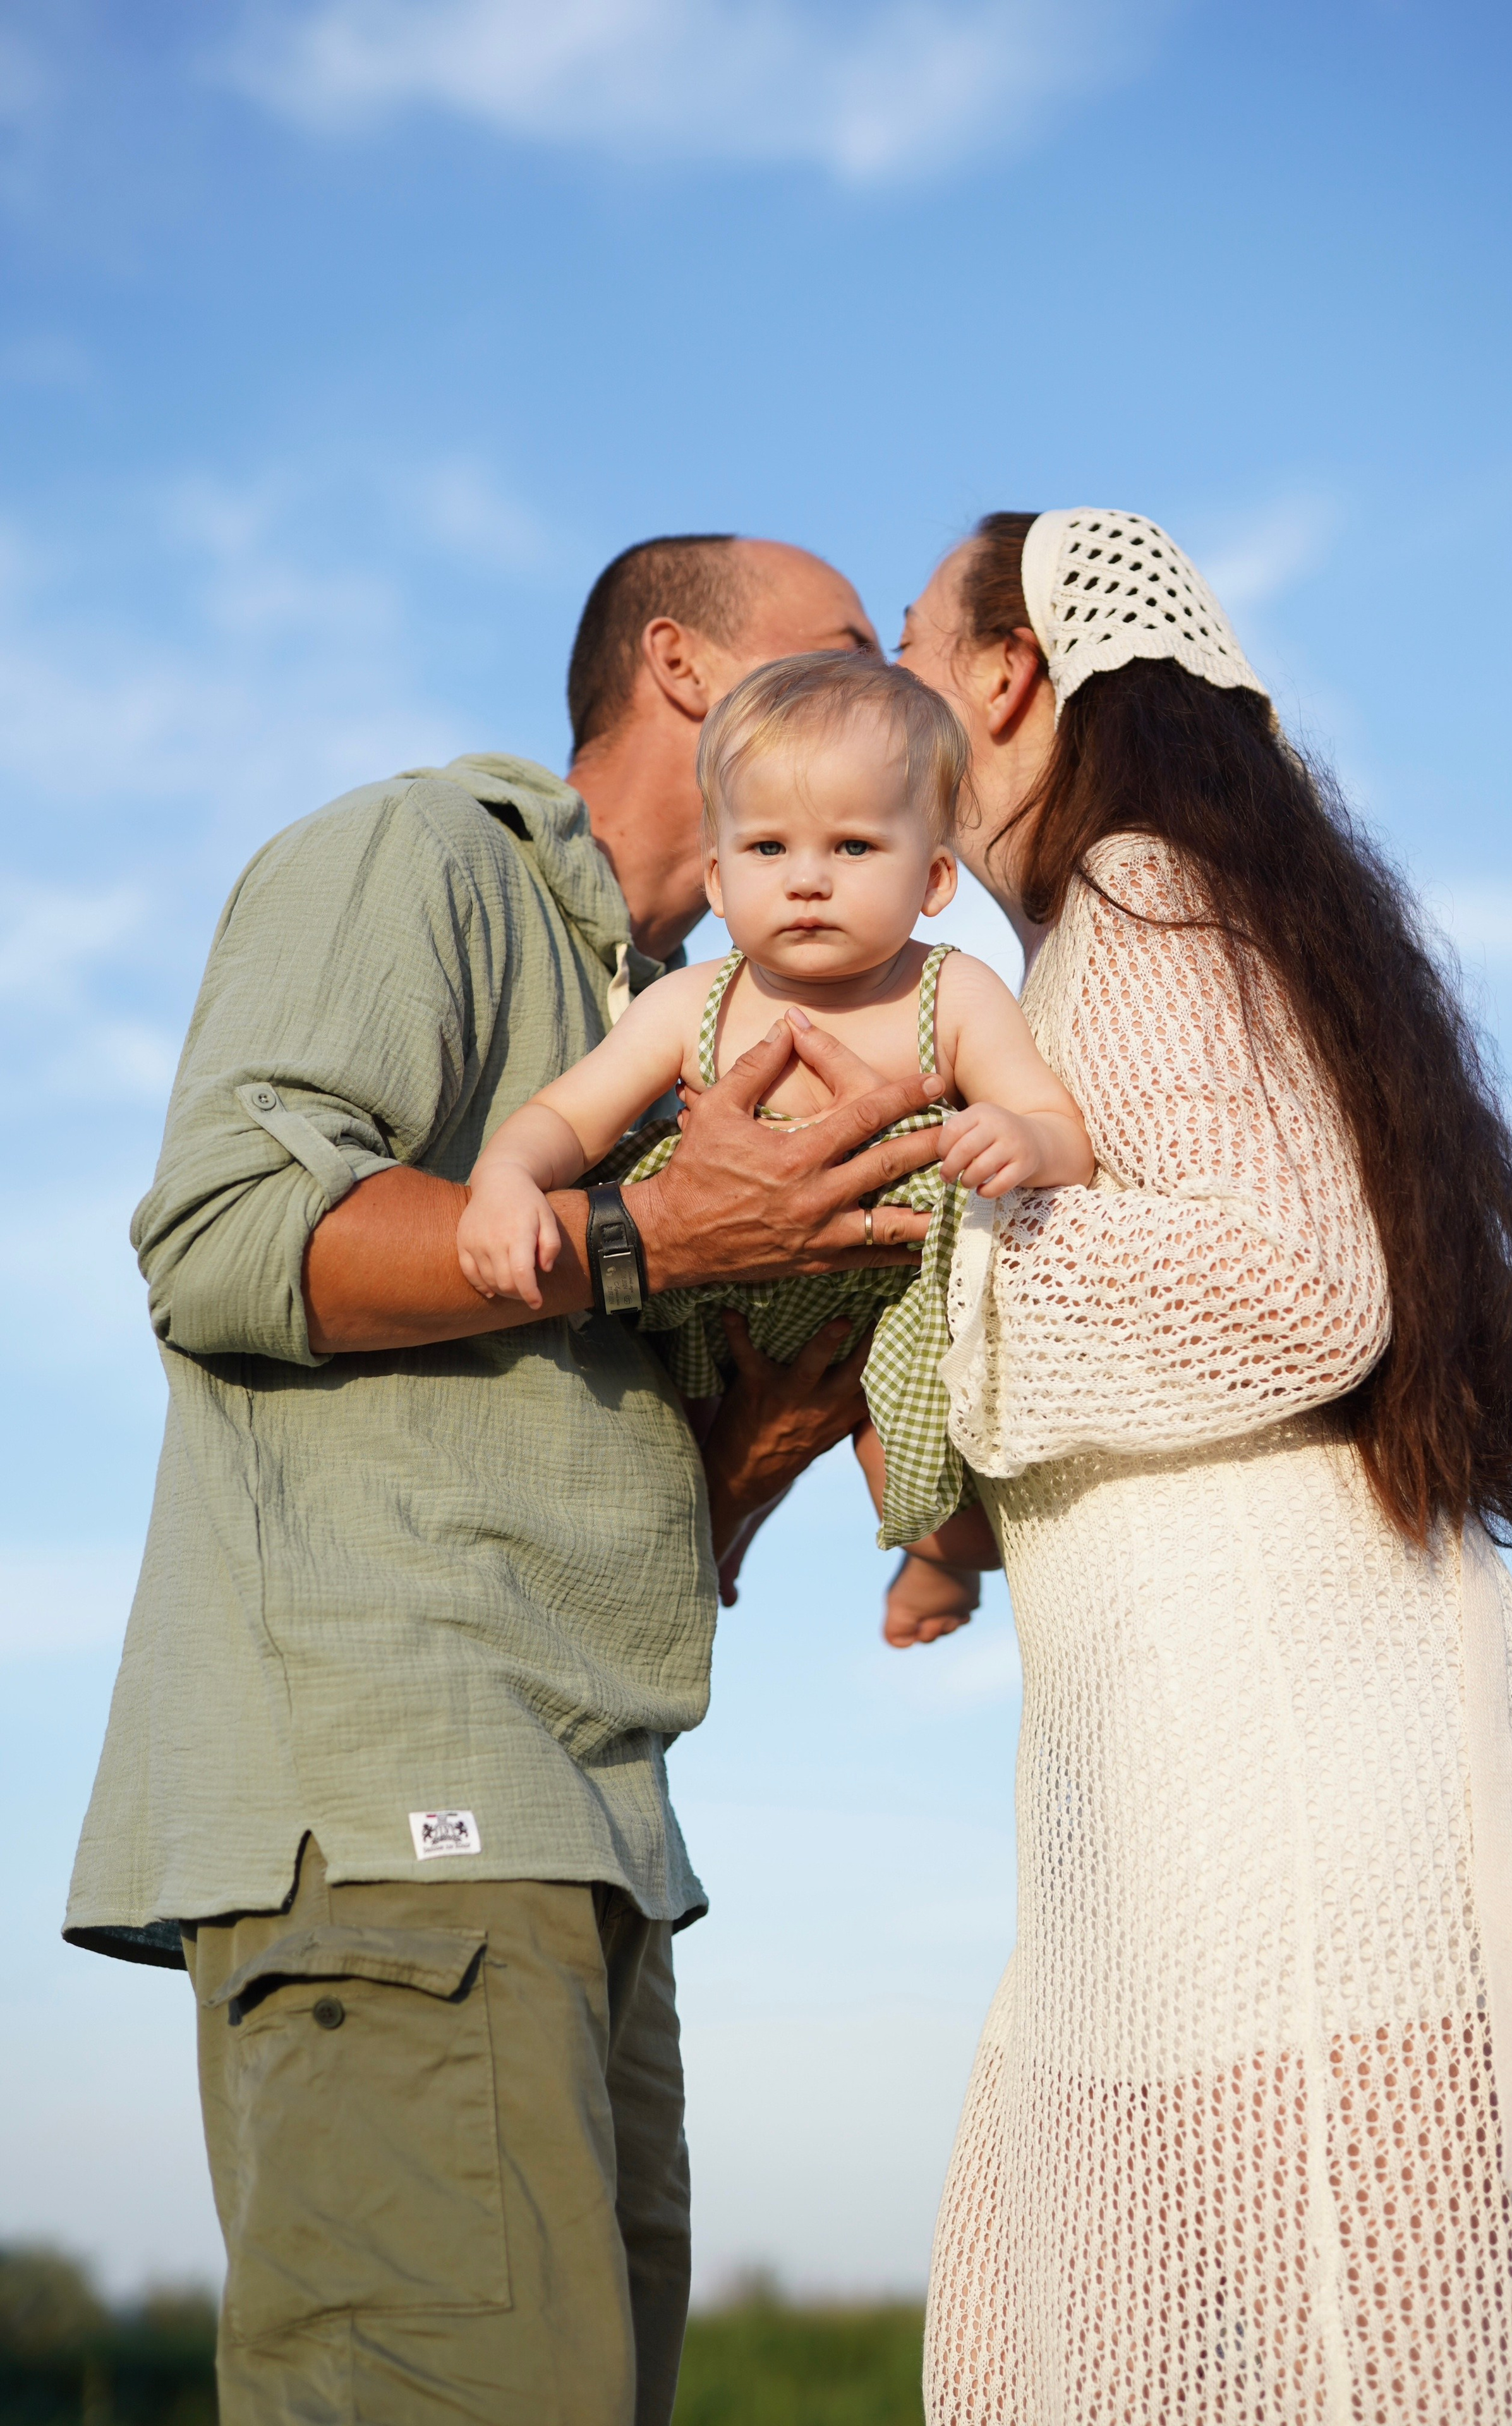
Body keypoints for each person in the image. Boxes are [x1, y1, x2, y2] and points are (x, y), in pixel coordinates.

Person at [63, 533, 947, 2426]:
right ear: (688, 673)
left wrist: (788, 1418)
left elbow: (626, 1481)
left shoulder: (694, 1024)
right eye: (857, 651)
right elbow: (225, 1238)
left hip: (592, 1839)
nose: (906, 701)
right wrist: (647, 1239)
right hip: (403, 1814)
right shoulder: (426, 856)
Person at [895, 509, 1512, 2423]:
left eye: (908, 643)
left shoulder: (1136, 898)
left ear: (1011, 675)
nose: (880, 696)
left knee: (1342, 2356)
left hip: (1290, 1798)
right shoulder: (1147, 918)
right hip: (1224, 1776)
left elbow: (1295, 1294)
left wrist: (930, 1260)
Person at [456, 651, 1091, 1549]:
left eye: (854, 847)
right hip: (708, 1302)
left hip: (890, 1304)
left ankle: (938, 1563)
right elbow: (568, 1117)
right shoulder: (688, 1004)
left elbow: (1064, 1135)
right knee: (662, 1451)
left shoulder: (953, 994)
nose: (808, 879)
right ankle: (716, 1548)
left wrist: (1019, 1136)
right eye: (768, 848)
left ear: (935, 880)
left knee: (934, 1506)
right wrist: (507, 1181)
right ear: (719, 878)